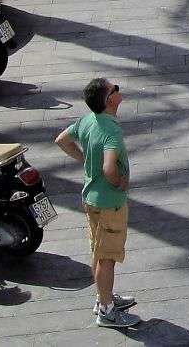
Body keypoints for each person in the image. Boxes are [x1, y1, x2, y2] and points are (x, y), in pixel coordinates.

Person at [55, 78, 140, 329]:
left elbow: (62, 140)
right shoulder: (111, 130)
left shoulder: (87, 121)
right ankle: (106, 311)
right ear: (109, 100)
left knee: (98, 251)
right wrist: (119, 182)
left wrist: (83, 159)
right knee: (108, 258)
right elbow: (109, 167)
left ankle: (103, 298)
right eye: (115, 89)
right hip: (109, 203)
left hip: (90, 199)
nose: (118, 89)